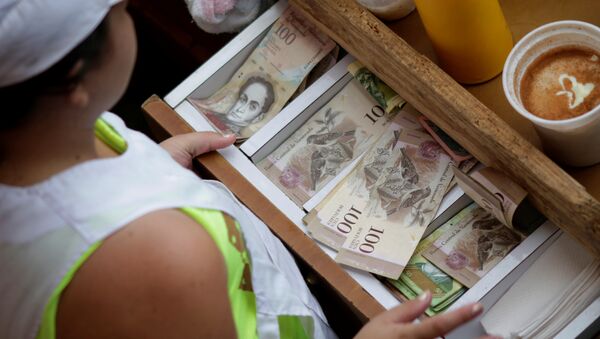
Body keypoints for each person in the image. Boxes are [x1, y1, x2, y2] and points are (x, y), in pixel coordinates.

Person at [0, 1, 496, 338]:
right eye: (122, 10)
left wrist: (149, 167)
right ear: (73, 78)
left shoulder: (47, 134)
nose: (128, 13)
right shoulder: (152, 261)